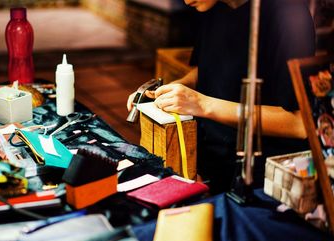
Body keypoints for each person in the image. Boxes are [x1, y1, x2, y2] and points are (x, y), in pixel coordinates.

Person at [127, 0, 315, 194]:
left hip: (259, 178)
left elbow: (299, 124)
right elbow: (206, 68)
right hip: (207, 159)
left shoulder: (289, 14)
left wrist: (202, 104)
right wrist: (178, 87)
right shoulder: (212, 5)